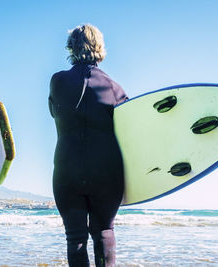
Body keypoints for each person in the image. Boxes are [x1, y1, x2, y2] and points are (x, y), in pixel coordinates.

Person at [48, 24, 128, 267]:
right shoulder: (115, 89)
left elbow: (53, 112)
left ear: (71, 47)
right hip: (106, 172)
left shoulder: (57, 82)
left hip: (66, 170)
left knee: (75, 239)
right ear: (100, 48)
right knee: (104, 232)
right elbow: (130, 132)